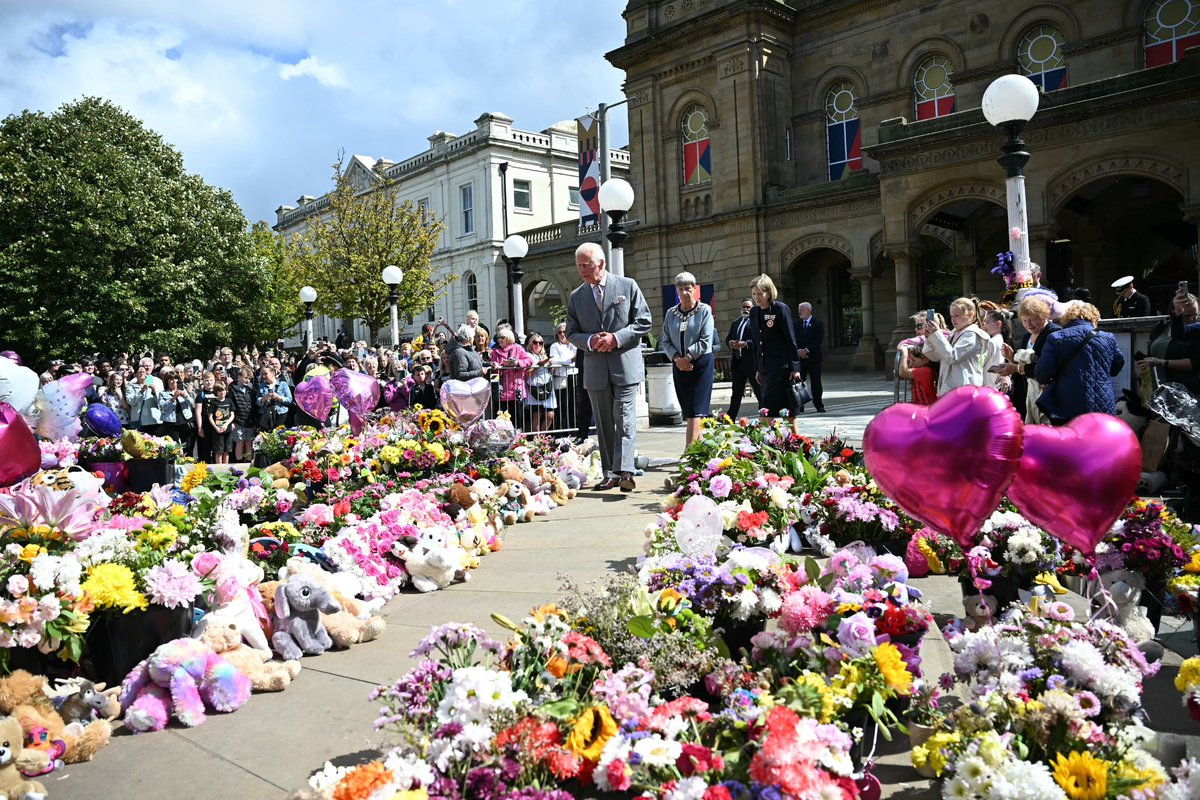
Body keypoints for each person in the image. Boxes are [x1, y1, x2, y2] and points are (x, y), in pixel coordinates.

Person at [566, 241, 652, 492]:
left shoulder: (627, 285)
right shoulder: (576, 296)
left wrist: (616, 338)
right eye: (578, 265)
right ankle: (610, 473)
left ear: (601, 264)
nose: (581, 270)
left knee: (624, 418)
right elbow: (571, 332)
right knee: (603, 424)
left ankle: (625, 470)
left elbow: (644, 321)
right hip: (595, 369)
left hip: (624, 366)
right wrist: (591, 340)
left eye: (586, 265)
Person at [1035, 302, 1123, 424]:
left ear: (1067, 319)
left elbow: (1042, 375)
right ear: (1094, 318)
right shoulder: (1108, 338)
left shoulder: (1056, 338)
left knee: (1070, 441)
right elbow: (1116, 367)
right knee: (1100, 442)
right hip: (1102, 405)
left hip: (1067, 406)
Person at [662, 271, 715, 447]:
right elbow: (665, 339)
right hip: (679, 365)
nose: (684, 292)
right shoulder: (671, 313)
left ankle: (689, 450)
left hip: (700, 364)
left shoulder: (704, 310)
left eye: (688, 288)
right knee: (689, 409)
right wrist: (678, 359)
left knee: (696, 410)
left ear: (694, 289)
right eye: (681, 289)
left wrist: (689, 357)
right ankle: (702, 449)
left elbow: (706, 339)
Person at [994, 296, 1061, 424]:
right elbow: (1024, 368)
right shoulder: (1026, 337)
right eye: (1024, 321)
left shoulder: (1054, 334)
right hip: (1030, 393)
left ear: (1043, 316)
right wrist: (1011, 358)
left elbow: (1047, 367)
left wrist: (1015, 368)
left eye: (1032, 320)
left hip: (1049, 395)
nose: (1028, 324)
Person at [749, 274, 802, 417]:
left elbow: (790, 339)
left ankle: (773, 437)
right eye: (754, 294)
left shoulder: (780, 309)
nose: (756, 297)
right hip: (764, 369)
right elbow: (756, 343)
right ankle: (781, 438)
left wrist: (795, 367)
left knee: (772, 408)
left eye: (760, 294)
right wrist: (757, 369)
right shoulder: (754, 312)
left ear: (769, 293)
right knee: (780, 409)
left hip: (781, 368)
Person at [921, 297, 987, 396]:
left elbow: (952, 357)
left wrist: (936, 334)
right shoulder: (954, 333)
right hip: (951, 390)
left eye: (957, 316)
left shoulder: (972, 334)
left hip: (964, 391)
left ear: (971, 314)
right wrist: (930, 336)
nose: (953, 320)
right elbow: (934, 355)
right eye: (951, 316)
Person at [1138, 290, 1200, 395]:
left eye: (1196, 314)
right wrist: (1147, 364)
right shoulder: (1162, 326)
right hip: (1159, 387)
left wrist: (1161, 362)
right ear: (1174, 310)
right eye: (1186, 316)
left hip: (1186, 390)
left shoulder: (1196, 329)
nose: (1192, 319)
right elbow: (1152, 352)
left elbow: (1195, 363)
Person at [490, 326, 534, 422]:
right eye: (498, 337)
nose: (500, 340)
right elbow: (493, 375)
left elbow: (530, 361)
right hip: (501, 392)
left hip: (516, 390)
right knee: (501, 421)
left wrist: (517, 363)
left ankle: (518, 437)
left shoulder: (518, 348)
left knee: (517, 420)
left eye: (502, 337)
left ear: (509, 338)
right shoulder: (495, 352)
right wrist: (496, 367)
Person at [725, 298, 761, 417]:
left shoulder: (756, 322)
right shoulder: (736, 323)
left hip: (751, 363)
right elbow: (728, 338)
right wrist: (730, 343)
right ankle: (731, 416)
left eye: (748, 307)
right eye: (743, 307)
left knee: (758, 390)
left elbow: (758, 340)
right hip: (738, 363)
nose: (745, 309)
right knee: (736, 392)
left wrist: (745, 344)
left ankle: (765, 413)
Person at [795, 301, 826, 413]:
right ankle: (800, 405)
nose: (799, 312)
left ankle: (819, 405)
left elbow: (818, 340)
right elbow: (793, 339)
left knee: (816, 382)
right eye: (798, 310)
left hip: (814, 358)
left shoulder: (818, 324)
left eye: (801, 310)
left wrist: (807, 350)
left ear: (808, 310)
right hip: (800, 358)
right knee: (799, 383)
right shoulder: (796, 324)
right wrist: (799, 351)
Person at [523, 333, 557, 432]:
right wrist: (539, 366)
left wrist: (551, 366)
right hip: (535, 387)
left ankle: (542, 439)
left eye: (540, 342)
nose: (538, 345)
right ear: (530, 343)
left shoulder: (544, 355)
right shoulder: (528, 356)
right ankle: (536, 440)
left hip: (547, 387)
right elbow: (527, 374)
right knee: (537, 416)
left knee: (550, 415)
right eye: (535, 342)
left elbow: (550, 372)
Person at [549, 323, 578, 431]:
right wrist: (570, 360)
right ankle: (562, 430)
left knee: (573, 404)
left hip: (573, 375)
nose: (562, 334)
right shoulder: (555, 346)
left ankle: (573, 429)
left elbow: (577, 358)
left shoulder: (574, 345)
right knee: (562, 405)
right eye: (559, 332)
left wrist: (570, 360)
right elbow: (554, 360)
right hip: (561, 377)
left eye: (564, 331)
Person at [229, 367, 257, 462]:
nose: (247, 380)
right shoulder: (232, 389)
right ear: (239, 376)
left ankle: (248, 461)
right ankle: (239, 462)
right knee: (239, 442)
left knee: (249, 442)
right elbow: (230, 406)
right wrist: (232, 421)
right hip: (238, 421)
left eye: (249, 378)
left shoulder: (250, 391)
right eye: (246, 377)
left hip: (249, 421)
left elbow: (253, 406)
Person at [206, 381, 236, 465]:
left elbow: (232, 415)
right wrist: (216, 428)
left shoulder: (229, 401)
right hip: (217, 430)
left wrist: (226, 424)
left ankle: (225, 467)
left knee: (227, 451)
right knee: (219, 451)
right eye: (220, 391)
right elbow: (210, 417)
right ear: (216, 392)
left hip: (228, 429)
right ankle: (218, 467)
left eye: (224, 390)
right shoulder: (213, 402)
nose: (222, 392)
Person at [256, 367, 292, 431]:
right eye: (262, 374)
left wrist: (279, 398)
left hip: (280, 414)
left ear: (273, 373)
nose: (263, 376)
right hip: (266, 415)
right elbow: (257, 402)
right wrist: (262, 399)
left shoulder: (283, 384)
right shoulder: (261, 386)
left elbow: (290, 400)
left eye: (266, 374)